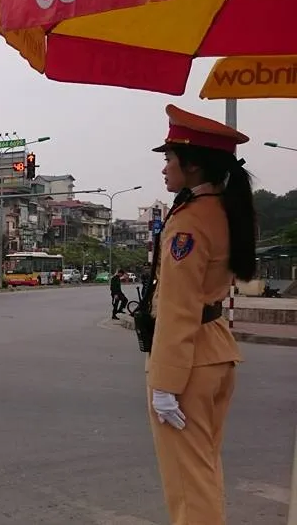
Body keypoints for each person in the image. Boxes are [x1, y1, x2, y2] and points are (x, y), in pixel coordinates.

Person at [146, 104, 257, 525]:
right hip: (216, 351)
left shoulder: (189, 222)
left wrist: (164, 384)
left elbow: (178, 307)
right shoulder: (226, 210)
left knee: (188, 482)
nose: (164, 170)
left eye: (168, 159)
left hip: (189, 364)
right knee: (203, 470)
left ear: (191, 165)